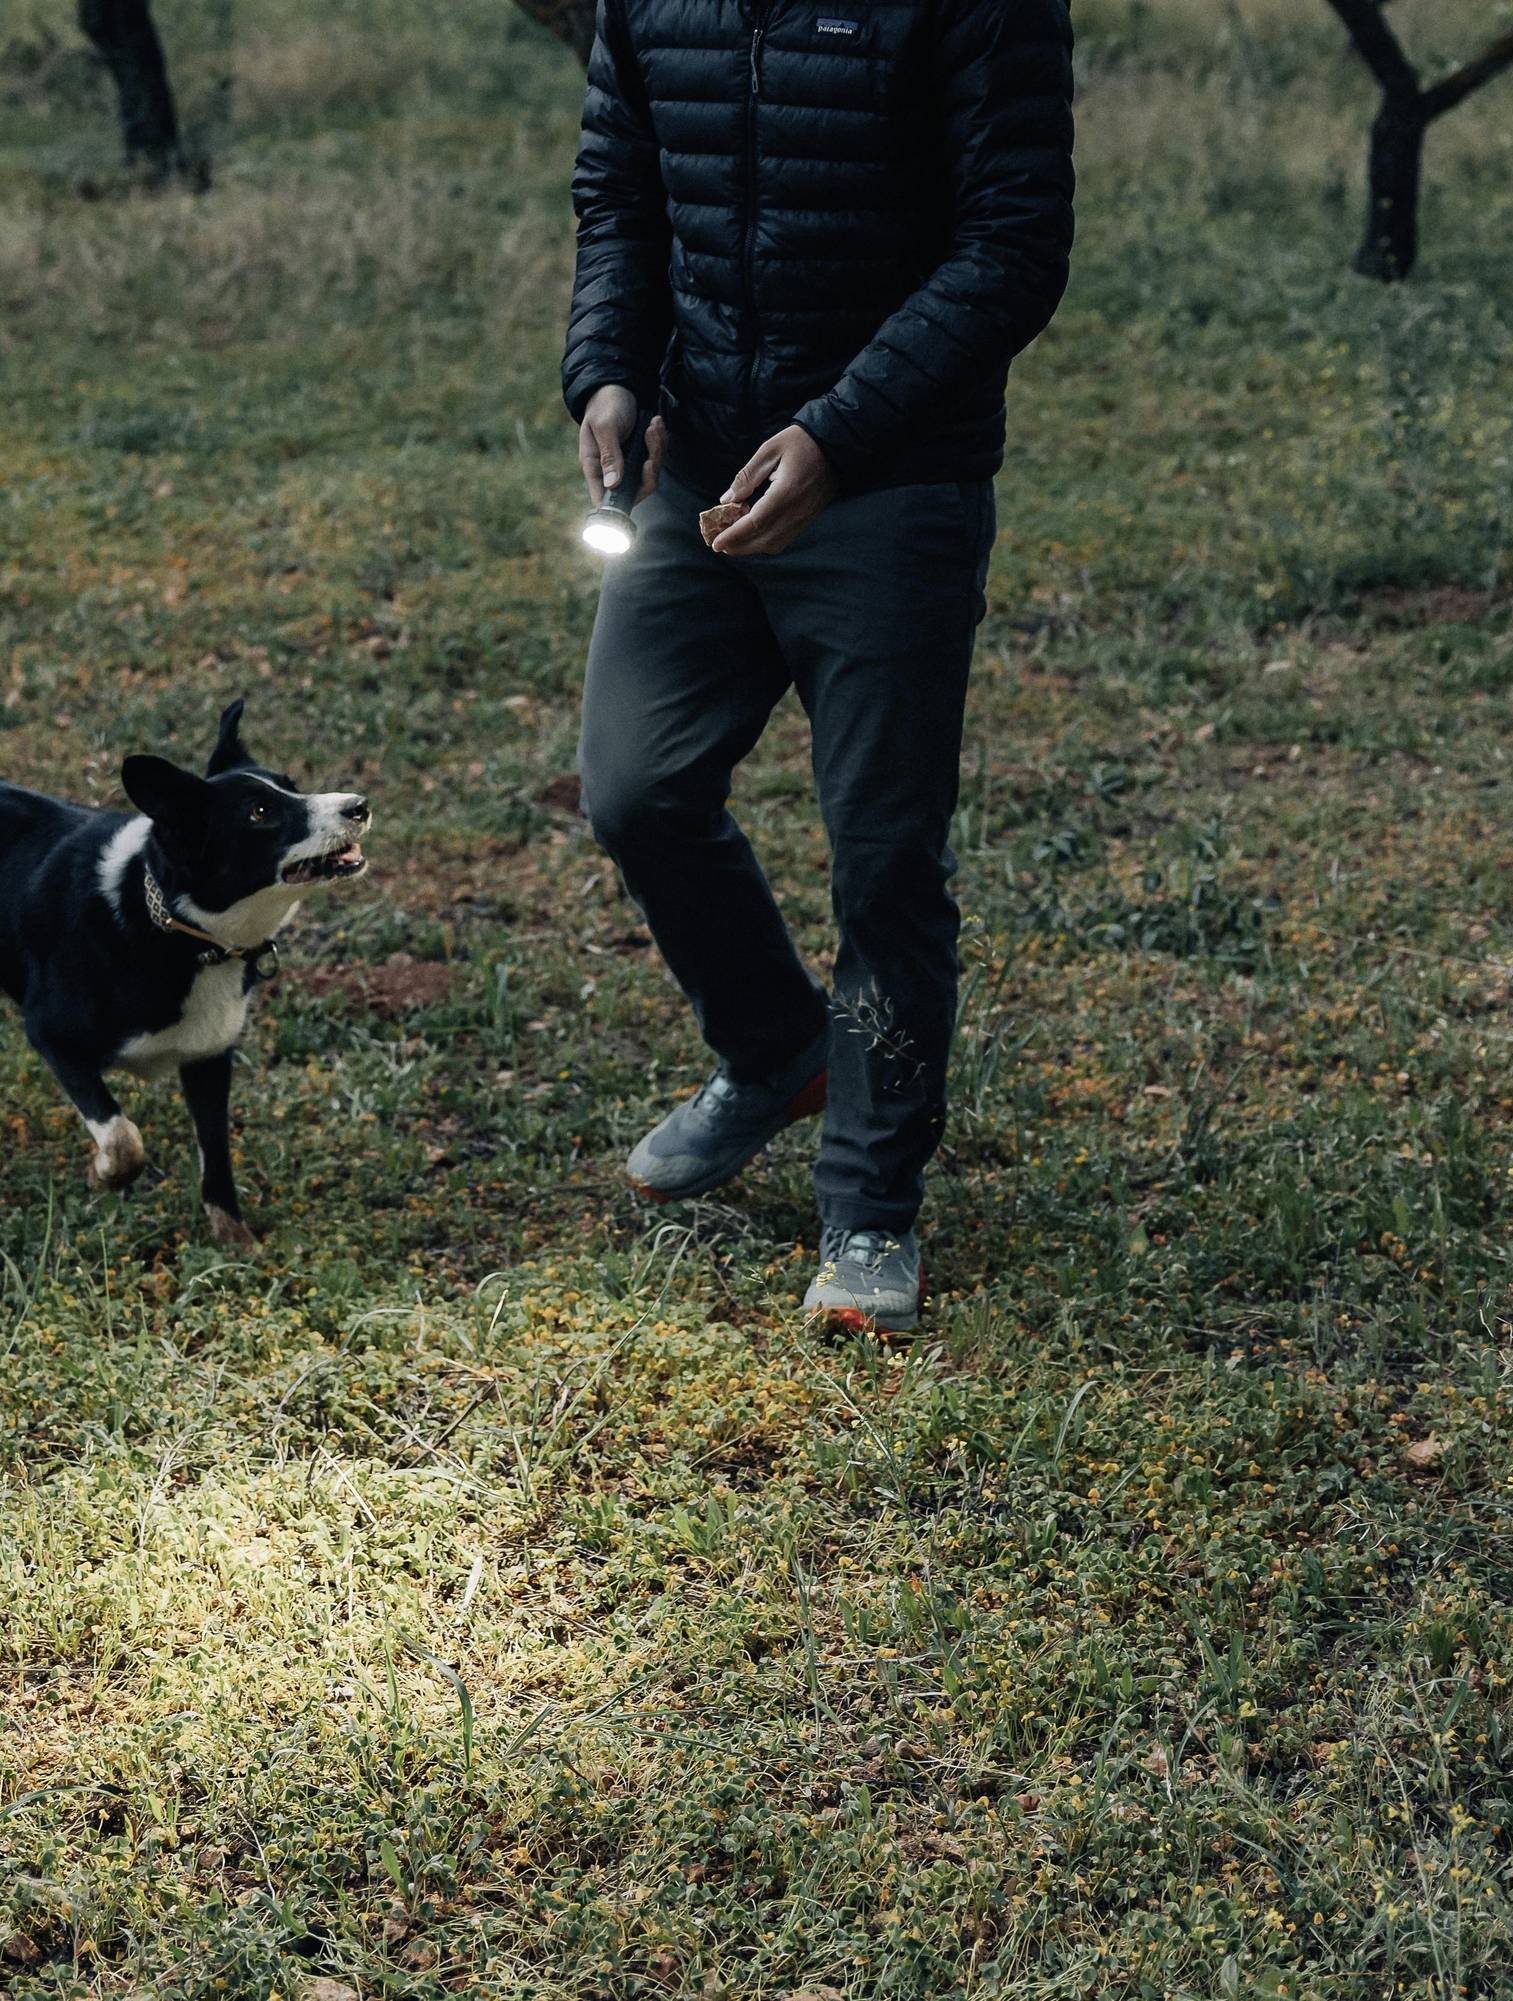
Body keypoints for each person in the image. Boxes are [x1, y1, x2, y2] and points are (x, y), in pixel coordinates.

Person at [564, 0, 1075, 1330]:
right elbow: (621, 191)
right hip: (703, 466)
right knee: (635, 785)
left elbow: (1015, 242)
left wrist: (838, 436)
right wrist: (610, 372)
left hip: (892, 481)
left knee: (884, 857)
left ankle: (869, 1202)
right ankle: (775, 1048)